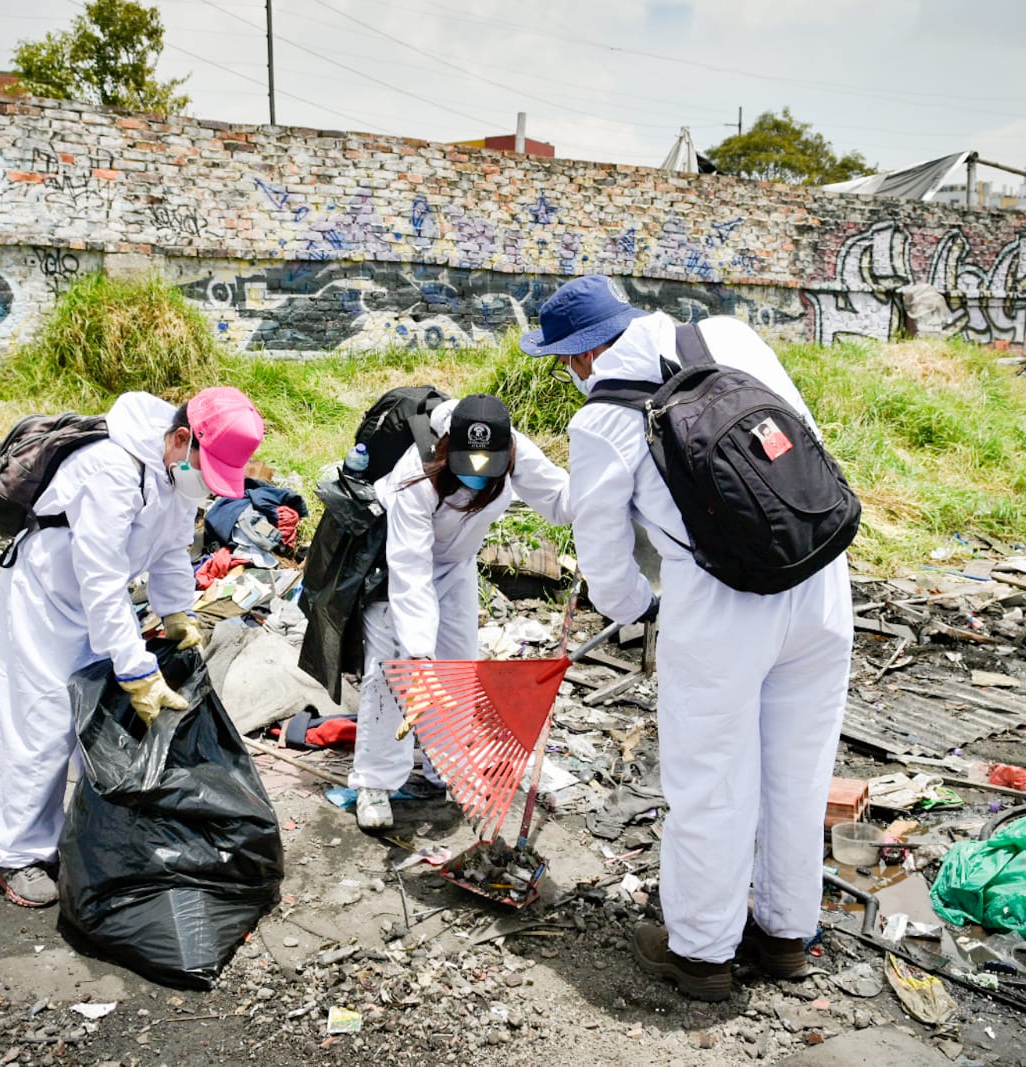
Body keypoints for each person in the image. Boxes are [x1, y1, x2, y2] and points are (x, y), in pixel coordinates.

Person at [521, 276, 853, 1000]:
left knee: (711, 781)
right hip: (822, 573)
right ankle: (786, 933)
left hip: (721, 603)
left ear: (578, 357)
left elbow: (609, 575)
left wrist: (643, 611)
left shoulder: (601, 420)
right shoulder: (730, 337)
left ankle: (701, 951)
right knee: (800, 772)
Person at [0, 387, 265, 907]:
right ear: (182, 438)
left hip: (94, 600)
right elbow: (101, 580)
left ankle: (70, 829)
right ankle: (18, 855)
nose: (204, 487)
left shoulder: (176, 469)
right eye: (205, 472)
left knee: (90, 720)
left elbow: (169, 550)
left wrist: (178, 611)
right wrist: (136, 668)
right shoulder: (112, 468)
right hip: (47, 597)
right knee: (43, 722)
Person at [350, 393, 573, 831]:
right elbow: (411, 571)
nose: (475, 478)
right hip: (393, 564)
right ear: (447, 450)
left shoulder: (515, 450)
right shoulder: (414, 475)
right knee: (392, 672)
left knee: (457, 667)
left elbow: (562, 500)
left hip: (456, 566)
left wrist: (604, 506)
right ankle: (375, 782)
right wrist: (417, 657)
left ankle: (448, 768)